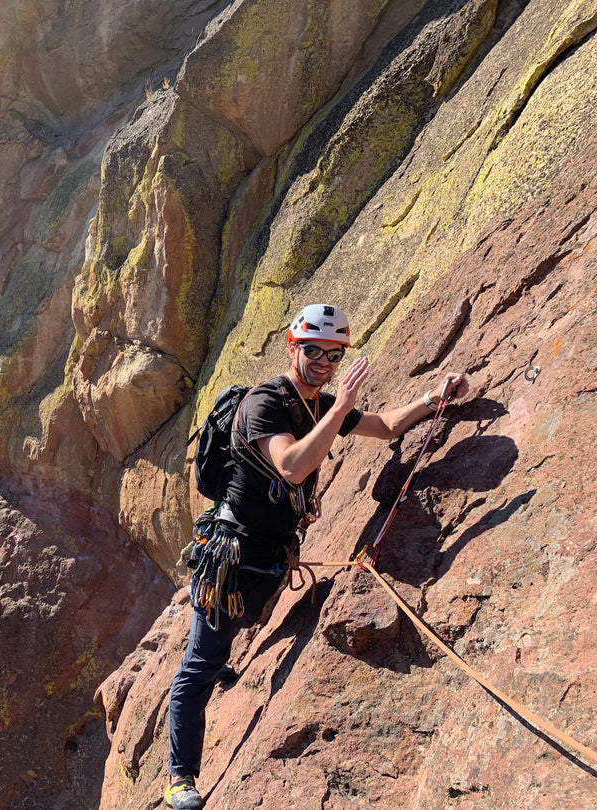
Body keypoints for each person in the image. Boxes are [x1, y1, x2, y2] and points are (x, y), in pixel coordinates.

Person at [163, 303, 469, 810]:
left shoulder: (317, 404)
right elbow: (291, 466)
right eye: (313, 352)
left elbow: (385, 427)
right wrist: (338, 405)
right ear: (293, 347)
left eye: (334, 355)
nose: (323, 363)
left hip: (268, 555)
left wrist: (430, 398)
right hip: (232, 554)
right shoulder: (265, 403)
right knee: (199, 663)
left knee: (236, 626)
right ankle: (180, 778)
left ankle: (220, 659)